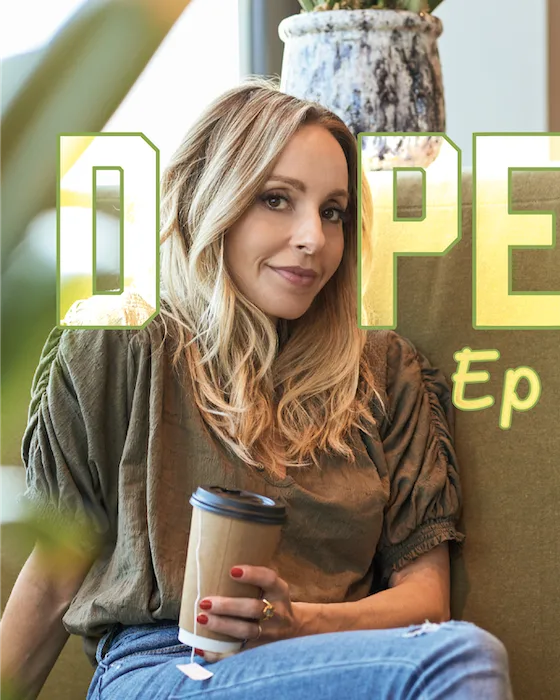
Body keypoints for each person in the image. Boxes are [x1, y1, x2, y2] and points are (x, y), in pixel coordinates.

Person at [0, 79, 514, 700]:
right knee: (458, 662)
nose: (313, 238)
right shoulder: (121, 346)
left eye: (332, 212)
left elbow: (426, 599)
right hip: (165, 667)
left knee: (458, 655)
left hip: (335, 666)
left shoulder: (385, 374)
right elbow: (53, 577)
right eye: (277, 200)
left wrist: (299, 623)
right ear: (209, 201)